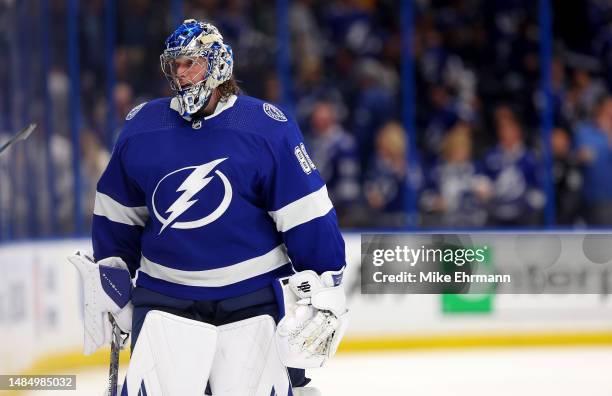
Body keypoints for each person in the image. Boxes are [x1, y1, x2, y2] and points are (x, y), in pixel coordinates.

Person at [69, 19, 348, 396]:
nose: (181, 75)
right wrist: (113, 273)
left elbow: (306, 213)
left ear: (218, 65)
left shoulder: (265, 127)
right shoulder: (142, 128)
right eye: (175, 66)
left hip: (253, 298)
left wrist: (325, 282)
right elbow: (117, 213)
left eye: (191, 64)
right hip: (165, 296)